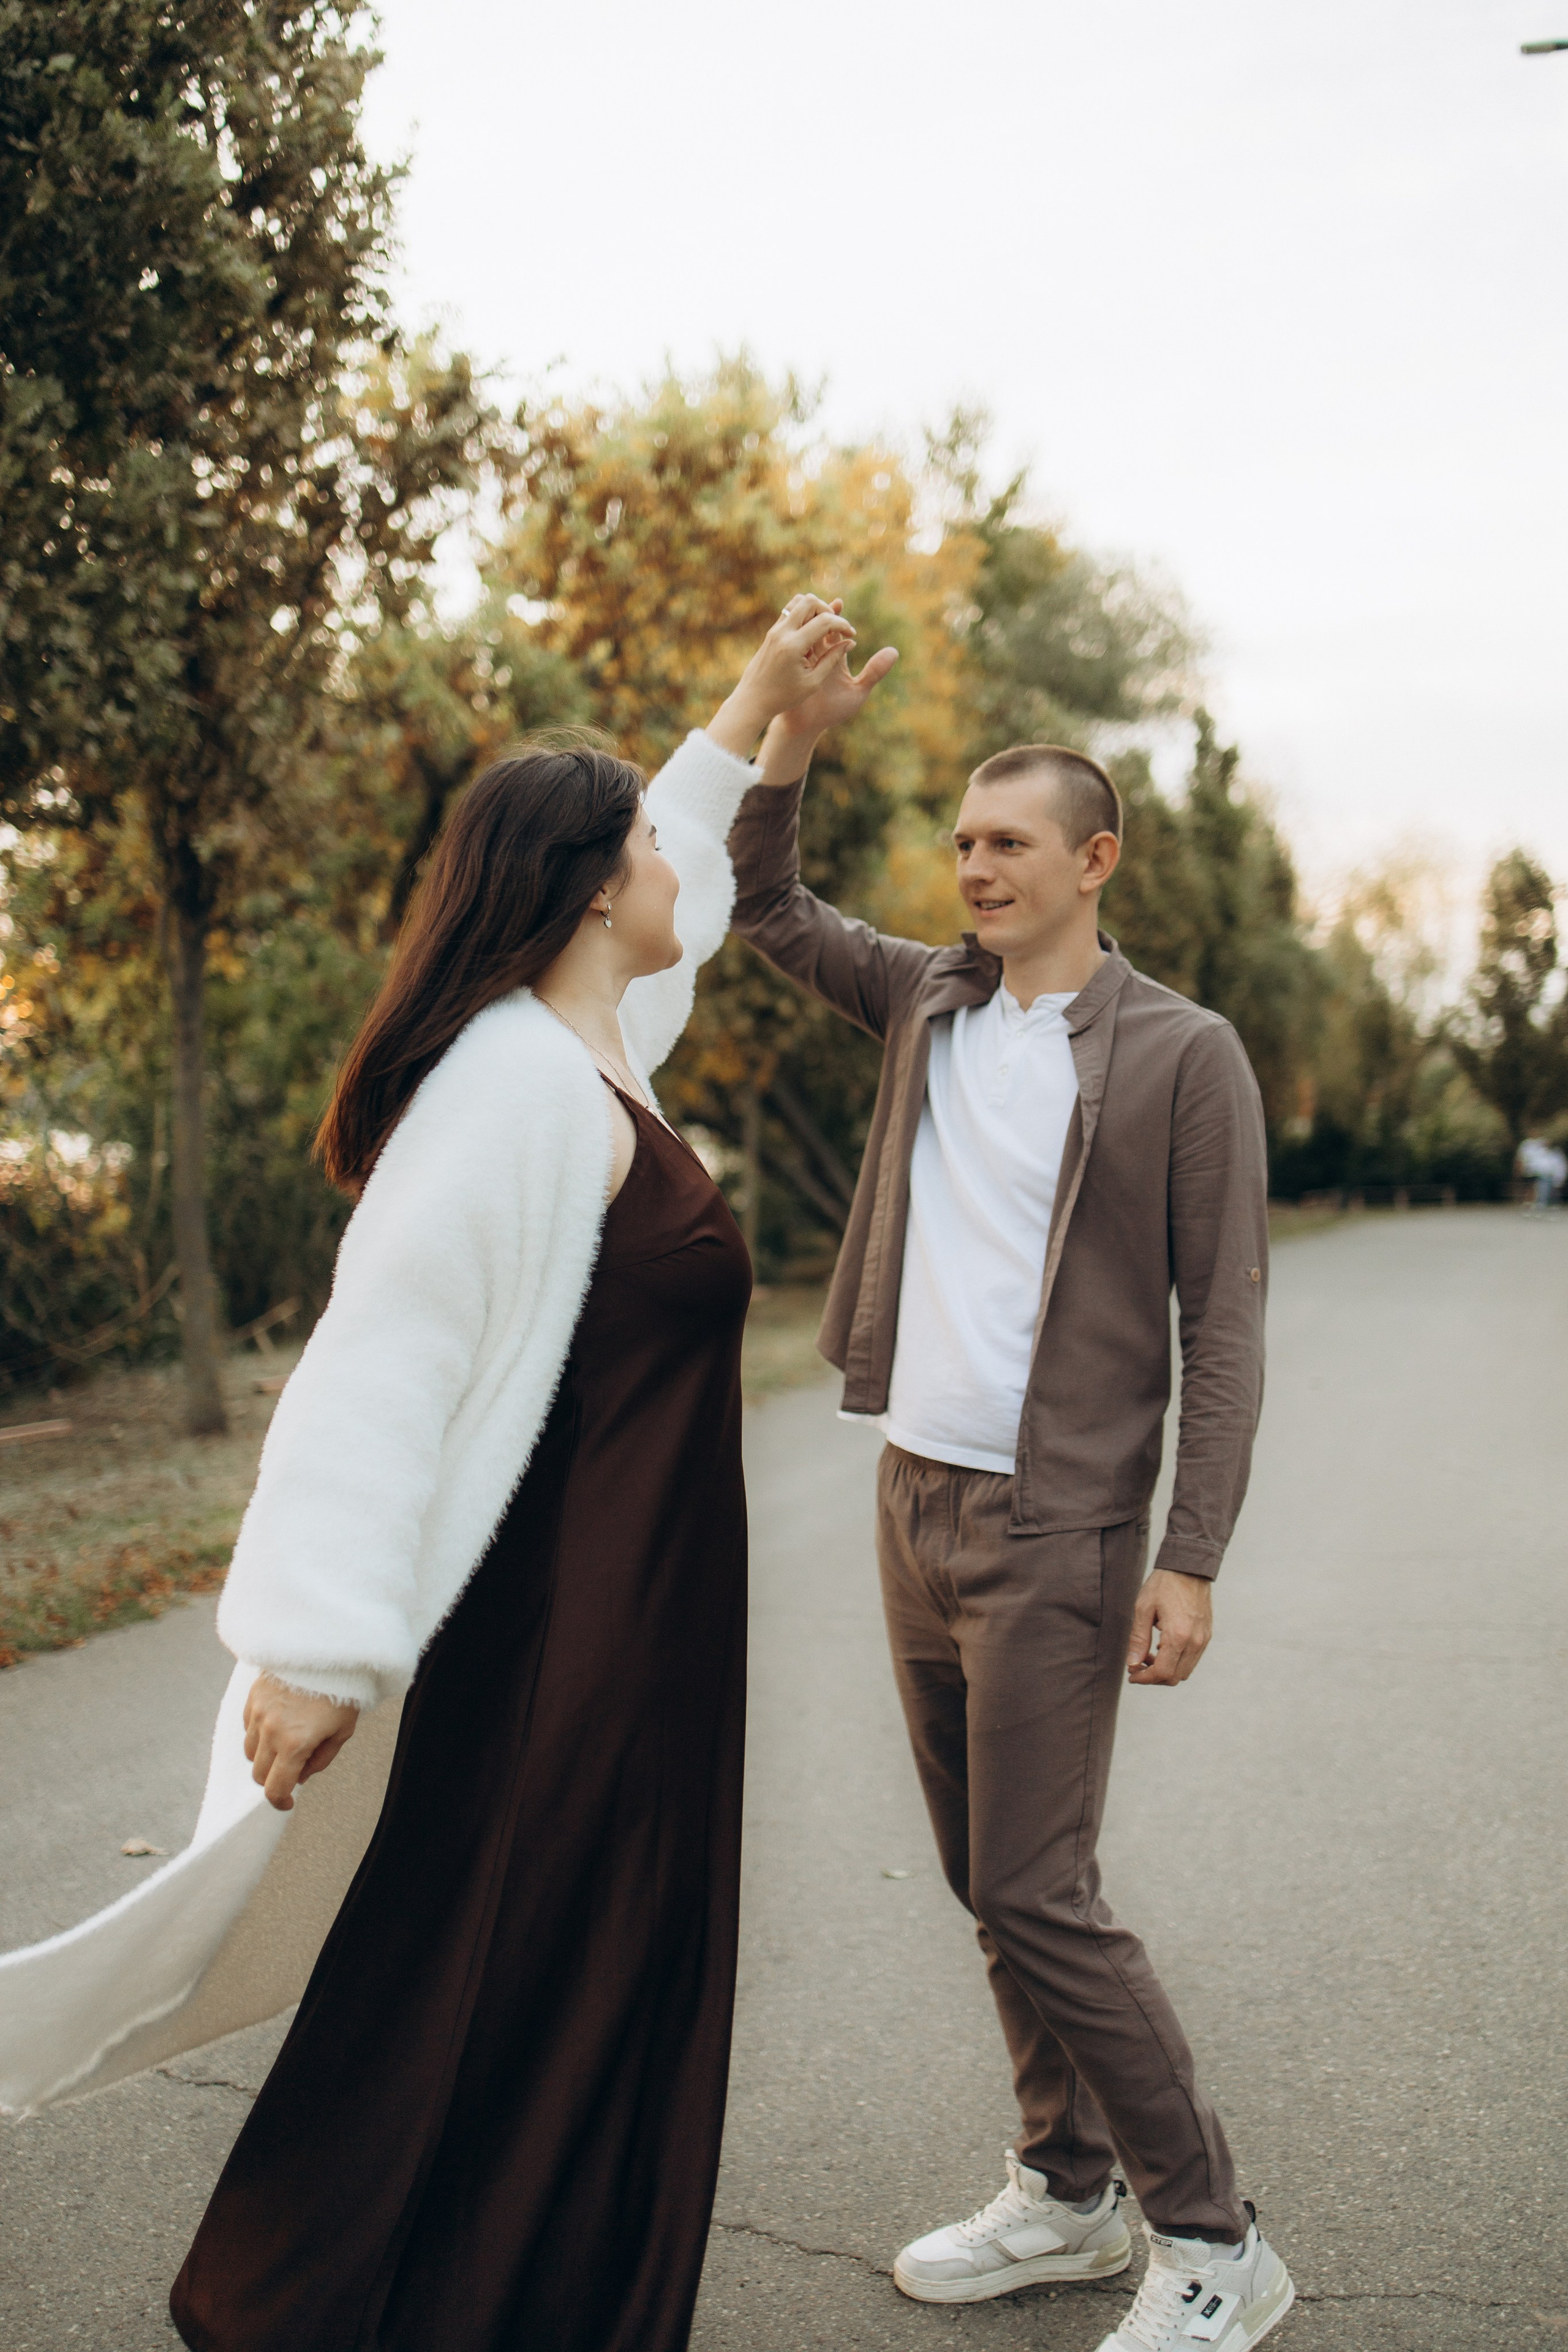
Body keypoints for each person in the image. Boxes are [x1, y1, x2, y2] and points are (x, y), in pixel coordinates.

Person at [162, 598, 858, 2352]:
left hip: (645, 1629)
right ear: (592, 890)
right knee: (510, 1968)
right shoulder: (512, 1089)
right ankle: (323, 2310)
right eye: (647, 846)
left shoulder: (587, 1056)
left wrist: (758, 721)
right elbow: (380, 1354)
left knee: (580, 1978)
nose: (674, 863)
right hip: (572, 1638)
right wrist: (314, 1646)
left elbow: (679, 897)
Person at [728, 600, 1295, 2352]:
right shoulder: (929, 999)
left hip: (1062, 1523)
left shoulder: (1182, 1052)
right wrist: (790, 739)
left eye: (1008, 844)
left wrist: (1190, 1555)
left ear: (1093, 861)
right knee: (996, 1886)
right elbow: (765, 904)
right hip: (915, 1498)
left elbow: (1225, 1321)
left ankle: (1214, 2241)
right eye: (965, 843)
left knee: (1044, 1891)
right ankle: (1066, 2189)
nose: (974, 868)